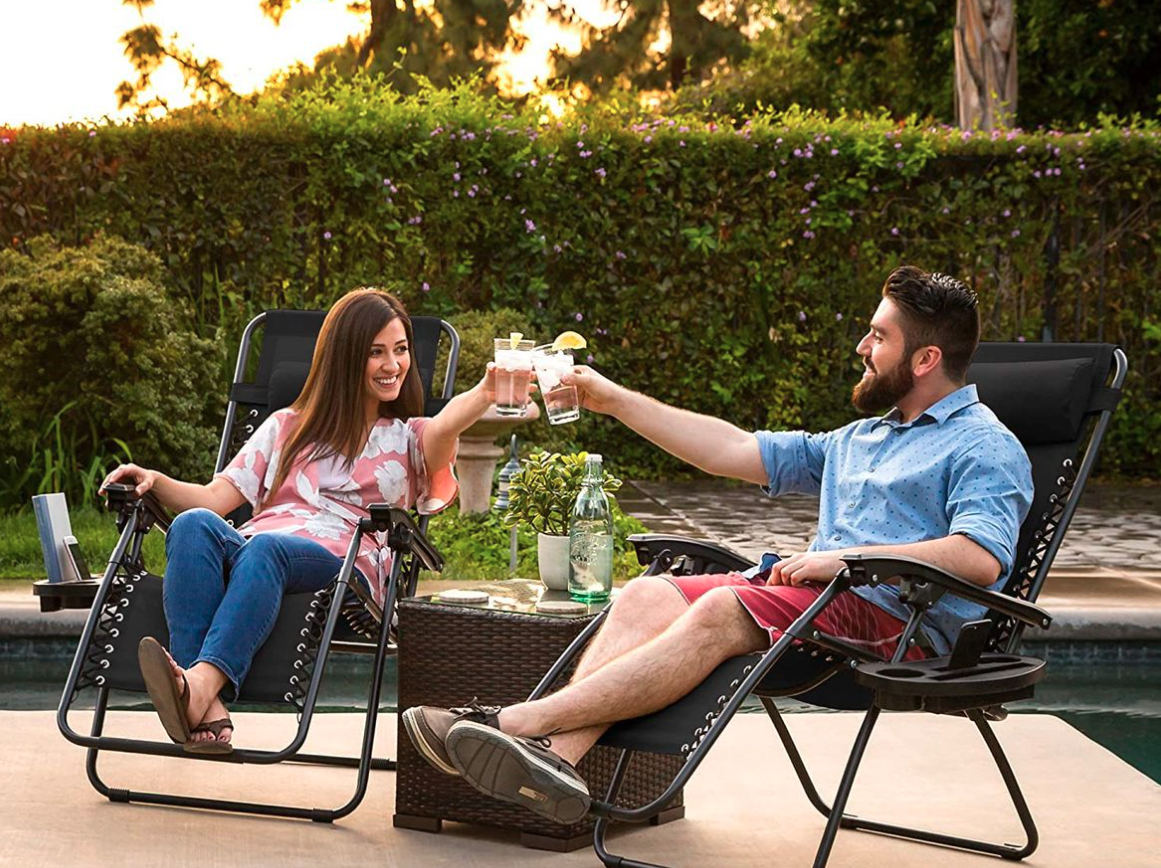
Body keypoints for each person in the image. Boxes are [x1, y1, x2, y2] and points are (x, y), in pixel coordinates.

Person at [402, 266, 1034, 826]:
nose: (863, 348)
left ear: (924, 360)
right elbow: (729, 449)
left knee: (724, 609)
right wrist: (608, 398)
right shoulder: (862, 437)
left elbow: (980, 555)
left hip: (901, 624)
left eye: (879, 336)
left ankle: (510, 723)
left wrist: (846, 562)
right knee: (651, 593)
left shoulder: (983, 445)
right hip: (817, 604)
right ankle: (554, 762)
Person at [101, 288, 496, 754]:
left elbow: (447, 424)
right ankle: (201, 702)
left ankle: (198, 685)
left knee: (267, 550)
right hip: (256, 551)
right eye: (376, 352)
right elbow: (211, 498)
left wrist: (489, 390)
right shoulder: (287, 426)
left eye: (401, 349)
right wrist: (154, 479)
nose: (393, 365)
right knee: (193, 526)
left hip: (342, 563)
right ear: (346, 357)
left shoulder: (408, 437)